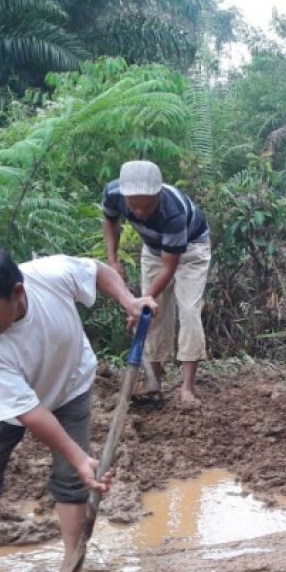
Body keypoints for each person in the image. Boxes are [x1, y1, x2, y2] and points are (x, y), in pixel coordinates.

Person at [0, 244, 156, 569]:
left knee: (73, 479)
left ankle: (72, 562)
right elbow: (30, 413)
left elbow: (97, 270)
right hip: (8, 406)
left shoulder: (50, 275)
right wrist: (79, 456)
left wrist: (129, 300)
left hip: (70, 383)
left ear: (17, 291)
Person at [101, 160, 211, 407]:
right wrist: (113, 261)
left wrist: (138, 301)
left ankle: (187, 388)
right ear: (125, 195)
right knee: (151, 313)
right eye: (134, 206)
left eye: (147, 206)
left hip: (192, 249)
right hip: (153, 249)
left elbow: (169, 266)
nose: (139, 213)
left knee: (189, 311)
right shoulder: (113, 193)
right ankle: (155, 384)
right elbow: (110, 222)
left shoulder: (173, 213)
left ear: (158, 194)